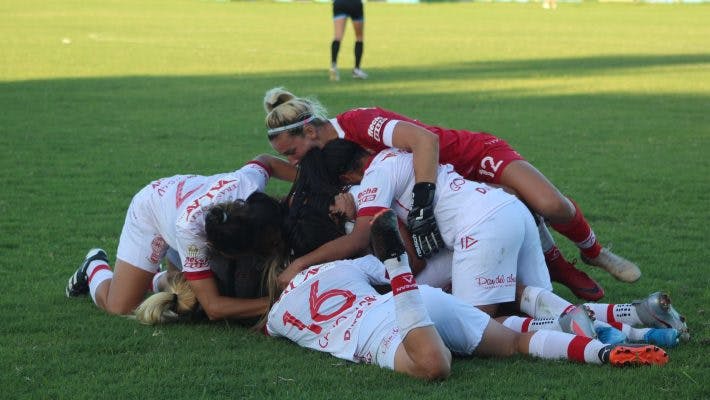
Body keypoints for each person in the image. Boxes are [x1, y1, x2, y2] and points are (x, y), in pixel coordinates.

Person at [262, 87, 642, 302]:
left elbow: (424, 140)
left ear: (309, 132)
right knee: (501, 216)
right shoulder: (325, 164)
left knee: (548, 203)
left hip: (465, 155)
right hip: (455, 194)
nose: (294, 162)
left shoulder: (358, 123)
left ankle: (594, 252)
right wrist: (260, 168)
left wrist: (424, 197)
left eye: (290, 152)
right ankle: (558, 269)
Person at [265, 209, 668, 380]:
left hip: (378, 332)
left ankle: (611, 345)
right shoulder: (336, 268)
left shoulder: (275, 320)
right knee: (514, 343)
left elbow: (234, 316)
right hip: (412, 298)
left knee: (433, 368)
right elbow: (374, 268)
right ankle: (619, 340)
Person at [65, 154, 296, 320]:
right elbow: (214, 307)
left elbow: (266, 160)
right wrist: (280, 303)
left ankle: (151, 277)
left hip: (180, 200)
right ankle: (93, 265)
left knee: (187, 294)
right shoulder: (191, 234)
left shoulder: (247, 184)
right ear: (227, 252)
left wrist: (311, 181)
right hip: (151, 211)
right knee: (120, 306)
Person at [329, 0, 368, 81]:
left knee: (337, 36)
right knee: (359, 37)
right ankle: (356, 69)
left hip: (340, 3)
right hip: (354, 4)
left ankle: (333, 65)